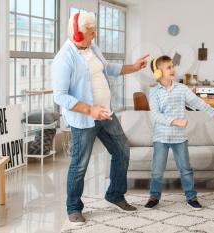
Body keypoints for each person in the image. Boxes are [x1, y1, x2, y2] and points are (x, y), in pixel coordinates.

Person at [52, 12, 149, 224]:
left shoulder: (92, 48)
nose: (94, 34)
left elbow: (108, 68)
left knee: (122, 150)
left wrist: (133, 66)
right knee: (80, 164)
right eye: (90, 31)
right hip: (84, 119)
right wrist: (90, 110)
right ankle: (73, 207)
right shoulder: (64, 58)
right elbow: (60, 96)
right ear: (77, 33)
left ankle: (115, 194)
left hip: (106, 112)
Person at [144, 55, 214, 209]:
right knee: (157, 170)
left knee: (185, 169)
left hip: (179, 137)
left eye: (172, 66)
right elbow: (155, 115)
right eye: (168, 67)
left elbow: (197, 102)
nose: (173, 69)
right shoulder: (154, 92)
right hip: (160, 136)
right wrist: (176, 121)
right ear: (158, 72)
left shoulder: (181, 89)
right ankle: (154, 196)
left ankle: (191, 197)